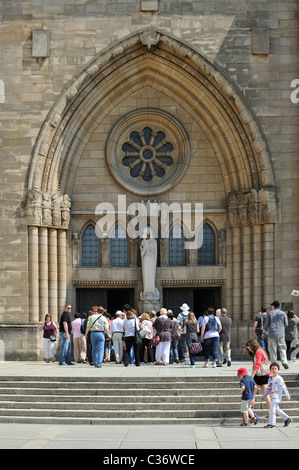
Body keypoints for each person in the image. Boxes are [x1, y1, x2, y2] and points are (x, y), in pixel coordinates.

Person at [262, 362, 292, 428]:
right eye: (272, 369)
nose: (274, 370)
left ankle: (272, 423)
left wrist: (287, 395)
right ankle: (287, 419)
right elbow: (268, 389)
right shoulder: (270, 379)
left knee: (272, 409)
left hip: (277, 397)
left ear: (278, 370)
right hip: (272, 396)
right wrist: (264, 396)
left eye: (275, 369)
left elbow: (284, 387)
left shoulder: (279, 378)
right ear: (270, 370)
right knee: (277, 410)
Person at [263, 300, 289, 369]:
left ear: (273, 306)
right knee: (282, 349)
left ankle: (274, 364)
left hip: (272, 334)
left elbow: (266, 324)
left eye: (272, 305)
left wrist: (263, 331)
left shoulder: (270, 313)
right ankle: (284, 362)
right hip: (281, 334)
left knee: (272, 349)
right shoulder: (283, 313)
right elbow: (286, 324)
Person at [246, 339, 271, 409]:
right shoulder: (262, 350)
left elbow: (257, 364)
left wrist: (252, 376)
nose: (250, 350)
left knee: (252, 393)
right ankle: (271, 411)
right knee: (265, 394)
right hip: (265, 374)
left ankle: (250, 411)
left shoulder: (258, 352)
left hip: (259, 375)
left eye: (250, 348)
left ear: (253, 346)